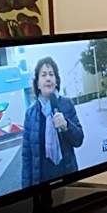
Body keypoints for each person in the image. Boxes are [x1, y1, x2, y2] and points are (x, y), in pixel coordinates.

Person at [21, 57, 84, 187]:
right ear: (37, 84)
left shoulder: (66, 104)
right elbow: (27, 156)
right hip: (42, 183)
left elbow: (79, 140)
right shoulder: (30, 114)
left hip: (68, 179)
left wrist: (66, 125)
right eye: (43, 75)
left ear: (56, 81)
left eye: (51, 74)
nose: (48, 78)